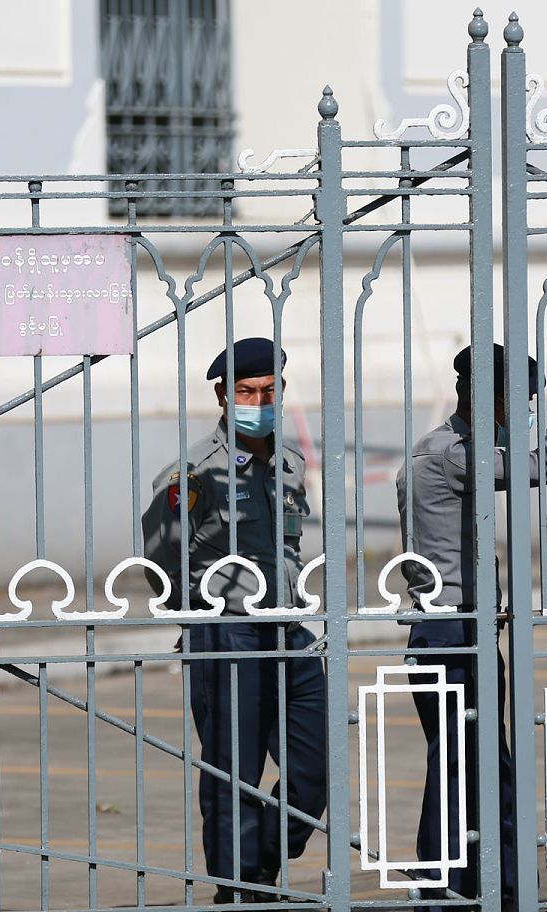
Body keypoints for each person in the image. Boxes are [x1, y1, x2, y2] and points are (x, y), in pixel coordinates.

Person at [394, 322, 547, 910]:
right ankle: (441, 893)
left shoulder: (456, 450)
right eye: (525, 403)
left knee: (491, 768)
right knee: (459, 767)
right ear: (485, 401)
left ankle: (505, 891)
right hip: (447, 631)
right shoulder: (451, 456)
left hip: (469, 626)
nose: (529, 414)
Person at [141, 337, 326, 903]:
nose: (258, 400)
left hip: (289, 630)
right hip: (228, 631)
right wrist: (201, 617)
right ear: (223, 395)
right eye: (246, 391)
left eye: (269, 391)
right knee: (232, 771)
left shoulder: (291, 464)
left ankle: (263, 859)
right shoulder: (195, 473)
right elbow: (159, 559)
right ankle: (237, 888)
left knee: (317, 764)